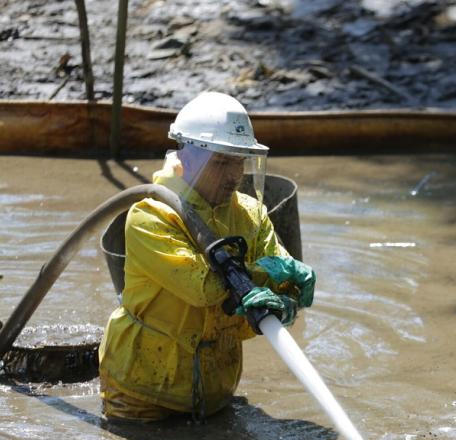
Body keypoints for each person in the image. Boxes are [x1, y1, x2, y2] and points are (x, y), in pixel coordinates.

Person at [98, 92, 315, 422]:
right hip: (141, 395)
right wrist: (264, 273)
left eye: (239, 161)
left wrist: (288, 296)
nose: (234, 175)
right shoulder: (151, 216)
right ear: (188, 158)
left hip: (216, 393)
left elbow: (282, 277)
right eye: (222, 162)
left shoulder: (250, 214)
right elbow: (205, 288)